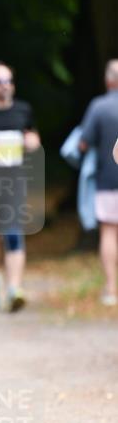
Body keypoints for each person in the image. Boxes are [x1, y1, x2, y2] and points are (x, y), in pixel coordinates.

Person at [0, 62, 41, 312]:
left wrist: (32, 141)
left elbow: (33, 136)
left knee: (14, 232)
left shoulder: (23, 110)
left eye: (8, 81)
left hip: (15, 182)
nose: (5, 86)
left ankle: (14, 288)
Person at [79, 59, 118, 307]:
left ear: (108, 80)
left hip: (107, 180)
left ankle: (110, 289)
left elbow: (83, 143)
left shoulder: (99, 107)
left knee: (109, 233)